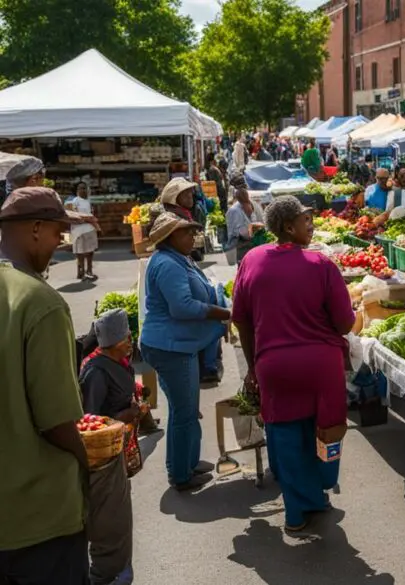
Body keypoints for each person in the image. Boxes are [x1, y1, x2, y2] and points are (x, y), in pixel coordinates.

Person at [231, 196, 355, 532]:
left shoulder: (252, 260)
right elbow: (345, 324)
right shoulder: (321, 265)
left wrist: (255, 364)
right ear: (288, 226)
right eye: (305, 220)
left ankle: (296, 511)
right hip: (320, 367)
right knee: (325, 429)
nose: (311, 225)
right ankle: (319, 491)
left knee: (284, 435)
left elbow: (240, 319)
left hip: (274, 365)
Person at [0, 187, 90, 584]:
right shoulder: (41, 303)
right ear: (35, 228)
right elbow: (56, 421)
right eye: (58, 233)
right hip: (38, 516)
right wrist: (89, 465)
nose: (61, 244)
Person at [139, 213, 230, 491]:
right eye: (186, 233)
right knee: (183, 411)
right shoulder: (168, 263)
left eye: (193, 232)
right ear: (169, 238)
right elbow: (183, 307)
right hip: (170, 346)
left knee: (187, 409)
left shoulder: (179, 258)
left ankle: (188, 462)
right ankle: (180, 474)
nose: (193, 237)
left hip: (178, 345)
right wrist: (223, 312)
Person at [78, 309, 140, 585]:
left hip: (118, 452)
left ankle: (118, 568)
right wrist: (124, 417)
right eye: (127, 336)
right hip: (102, 462)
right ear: (115, 341)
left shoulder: (120, 362)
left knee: (120, 517)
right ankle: (108, 575)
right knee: (110, 523)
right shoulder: (96, 373)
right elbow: (89, 422)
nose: (131, 340)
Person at [225, 173, 265, 263]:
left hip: (245, 251)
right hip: (258, 248)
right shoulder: (255, 204)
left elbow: (244, 234)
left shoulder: (234, 210)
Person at [66, 182, 100, 281]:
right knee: (80, 253)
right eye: (81, 188)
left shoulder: (88, 201)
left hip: (89, 230)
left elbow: (90, 214)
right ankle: (81, 273)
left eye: (85, 188)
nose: (84, 190)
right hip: (78, 232)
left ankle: (89, 271)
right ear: (77, 191)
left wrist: (92, 222)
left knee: (90, 252)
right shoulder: (74, 202)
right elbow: (73, 216)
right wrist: (89, 219)